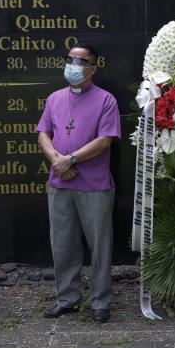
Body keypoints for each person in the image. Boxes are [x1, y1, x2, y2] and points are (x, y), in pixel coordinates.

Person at [37, 44, 120, 323]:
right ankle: (68, 299)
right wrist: (57, 161)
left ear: (93, 68)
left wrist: (69, 159)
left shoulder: (106, 100)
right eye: (69, 60)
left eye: (81, 61)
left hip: (95, 185)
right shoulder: (54, 99)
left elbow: (104, 140)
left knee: (99, 245)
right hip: (60, 183)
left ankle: (100, 301)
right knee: (62, 243)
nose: (73, 65)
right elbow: (43, 135)